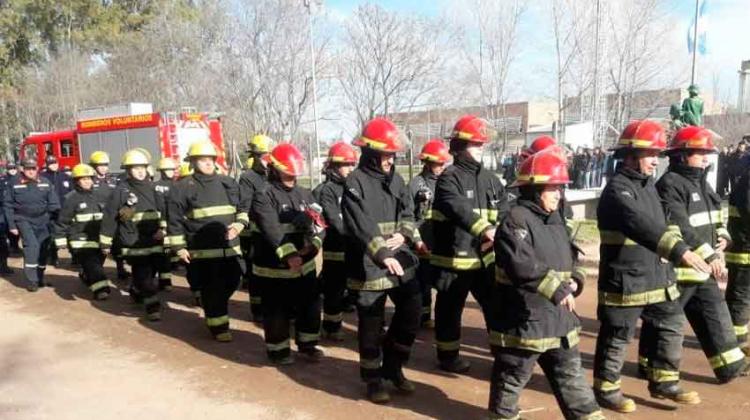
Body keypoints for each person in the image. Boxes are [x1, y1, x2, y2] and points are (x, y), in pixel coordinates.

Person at [593, 120, 709, 412]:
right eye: (650, 155)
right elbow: (639, 224)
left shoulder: (649, 188)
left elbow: (668, 221)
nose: (655, 162)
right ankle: (607, 389)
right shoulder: (618, 190)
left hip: (656, 275)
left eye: (658, 155)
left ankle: (664, 382)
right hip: (626, 279)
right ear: (631, 155)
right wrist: (679, 251)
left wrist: (690, 246)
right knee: (618, 335)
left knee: (670, 323)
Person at [489, 150, 603, 420]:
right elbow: (521, 264)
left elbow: (570, 258)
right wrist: (558, 288)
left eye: (560, 189)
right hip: (525, 319)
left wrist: (575, 279)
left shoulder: (556, 221)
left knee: (572, 377)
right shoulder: (516, 219)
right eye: (554, 188)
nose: (559, 195)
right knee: (512, 376)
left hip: (560, 318)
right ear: (535, 188)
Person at [636, 126, 748, 383]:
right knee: (665, 321)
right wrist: (709, 255)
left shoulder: (702, 182)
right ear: (683, 154)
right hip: (679, 270)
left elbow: (716, 213)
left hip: (702, 268)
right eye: (701, 153)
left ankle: (731, 365)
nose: (706, 158)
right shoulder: (670, 184)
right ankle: (650, 366)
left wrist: (723, 235)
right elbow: (681, 227)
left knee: (717, 314)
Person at [342, 117, 422, 403]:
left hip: (400, 258)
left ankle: (394, 366)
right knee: (371, 326)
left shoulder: (397, 180)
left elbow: (410, 213)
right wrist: (383, 254)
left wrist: (404, 234)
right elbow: (360, 225)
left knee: (413, 311)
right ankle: (373, 379)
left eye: (393, 154)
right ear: (372, 153)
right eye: (387, 154)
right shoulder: (355, 182)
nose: (391, 160)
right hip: (368, 264)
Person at [430, 115, 508, 373]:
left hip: (485, 260)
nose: (480, 148)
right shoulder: (448, 178)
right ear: (459, 146)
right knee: (450, 311)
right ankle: (448, 357)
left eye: (481, 144)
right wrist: (486, 229)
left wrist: (501, 233)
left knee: (496, 308)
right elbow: (458, 207)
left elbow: (504, 208)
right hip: (454, 261)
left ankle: (503, 355)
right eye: (475, 144)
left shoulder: (491, 179)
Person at [251, 143, 325, 364]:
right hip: (274, 266)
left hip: (304, 264)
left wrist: (312, 245)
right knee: (276, 311)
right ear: (275, 167)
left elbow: (321, 225)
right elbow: (271, 229)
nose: (292, 174)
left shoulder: (305, 193)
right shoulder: (264, 195)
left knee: (310, 307)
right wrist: (290, 255)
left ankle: (308, 345)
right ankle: (278, 350)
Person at [167, 141, 248, 341]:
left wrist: (240, 224)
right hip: (203, 251)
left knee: (233, 281)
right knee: (214, 289)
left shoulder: (228, 182)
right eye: (203, 160)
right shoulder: (183, 187)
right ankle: (218, 326)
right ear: (193, 162)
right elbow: (174, 220)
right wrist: (178, 247)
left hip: (230, 249)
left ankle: (213, 306)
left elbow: (243, 208)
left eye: (211, 159)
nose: (208, 163)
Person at [100, 149, 166, 321]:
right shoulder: (121, 192)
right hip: (133, 239)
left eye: (143, 167)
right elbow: (111, 218)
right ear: (128, 170)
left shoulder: (155, 189)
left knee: (152, 271)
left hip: (155, 238)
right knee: (143, 272)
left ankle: (136, 290)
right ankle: (152, 306)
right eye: (135, 168)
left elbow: (165, 212)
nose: (140, 171)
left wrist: (163, 230)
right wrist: (105, 243)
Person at [313, 141, 357, 340]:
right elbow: (334, 220)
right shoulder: (326, 190)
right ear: (333, 166)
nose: (349, 169)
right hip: (335, 249)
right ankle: (331, 328)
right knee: (334, 291)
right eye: (345, 165)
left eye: (351, 164)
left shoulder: (353, 187)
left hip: (353, 248)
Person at [408, 139, 450, 329]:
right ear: (427, 162)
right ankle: (422, 317)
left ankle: (429, 316)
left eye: (443, 163)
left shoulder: (447, 182)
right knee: (422, 282)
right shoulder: (417, 184)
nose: (441, 167)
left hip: (440, 241)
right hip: (422, 242)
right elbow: (407, 215)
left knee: (440, 282)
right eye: (437, 163)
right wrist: (416, 240)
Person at [53, 164, 111, 300]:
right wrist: (61, 240)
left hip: (97, 237)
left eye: (89, 179)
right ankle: (101, 289)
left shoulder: (100, 196)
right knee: (93, 264)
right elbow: (63, 221)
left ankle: (86, 275)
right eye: (83, 179)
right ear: (76, 181)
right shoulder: (70, 198)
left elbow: (108, 216)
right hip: (79, 239)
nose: (87, 182)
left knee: (96, 263)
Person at [3, 158, 61, 291]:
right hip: (23, 219)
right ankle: (32, 280)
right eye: (28, 168)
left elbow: (53, 202)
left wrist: (55, 218)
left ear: (37, 169)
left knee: (43, 249)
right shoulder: (14, 183)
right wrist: (12, 225)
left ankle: (40, 277)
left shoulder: (45, 182)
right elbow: (8, 205)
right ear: (22, 169)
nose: (31, 171)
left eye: (33, 168)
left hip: (43, 220)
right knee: (32, 247)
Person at [239, 134, 273, 322]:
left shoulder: (275, 174)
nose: (266, 160)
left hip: (274, 231)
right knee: (256, 272)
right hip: (256, 232)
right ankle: (258, 308)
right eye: (262, 155)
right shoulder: (248, 178)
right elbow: (246, 205)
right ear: (254, 156)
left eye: (268, 155)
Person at [89, 150, 129, 280]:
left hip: (112, 217)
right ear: (94, 166)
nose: (103, 168)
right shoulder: (88, 180)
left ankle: (120, 268)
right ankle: (96, 272)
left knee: (117, 244)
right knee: (99, 247)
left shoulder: (114, 179)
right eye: (100, 165)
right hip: (95, 218)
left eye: (105, 165)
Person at [726, 139, 750, 357]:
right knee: (741, 295)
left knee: (739, 294)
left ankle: (734, 338)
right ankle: (736, 343)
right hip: (744, 247)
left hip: (742, 243)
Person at [41, 155, 71, 268]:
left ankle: (76, 258)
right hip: (50, 212)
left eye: (55, 163)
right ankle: (53, 257)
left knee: (70, 233)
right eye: (50, 163)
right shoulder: (42, 177)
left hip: (64, 211)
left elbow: (71, 192)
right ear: (47, 165)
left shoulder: (65, 177)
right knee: (52, 236)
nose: (53, 165)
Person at [154, 157, 178, 291]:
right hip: (162, 225)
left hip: (175, 223)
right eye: (168, 169)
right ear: (162, 171)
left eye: (172, 169)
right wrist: (161, 226)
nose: (171, 172)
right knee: (164, 253)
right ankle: (165, 281)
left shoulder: (178, 185)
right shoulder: (155, 186)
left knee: (170, 252)